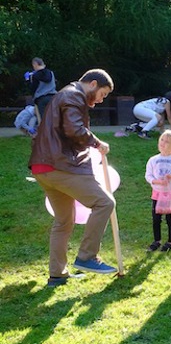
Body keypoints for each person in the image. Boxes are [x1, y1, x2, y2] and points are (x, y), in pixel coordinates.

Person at [29, 69, 116, 286]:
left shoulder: (65, 94)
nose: (101, 100)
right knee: (104, 202)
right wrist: (97, 143)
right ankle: (87, 256)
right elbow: (74, 129)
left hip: (43, 167)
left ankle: (57, 274)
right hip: (60, 165)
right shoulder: (74, 95)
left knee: (63, 221)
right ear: (93, 84)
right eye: (102, 94)